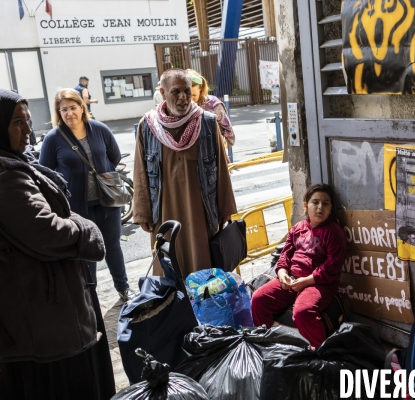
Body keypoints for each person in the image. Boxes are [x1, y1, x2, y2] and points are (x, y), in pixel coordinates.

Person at [0, 89, 115, 399]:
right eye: (16, 123)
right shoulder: (6, 177)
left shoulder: (15, 163)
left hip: (44, 315)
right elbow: (49, 232)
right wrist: (86, 227)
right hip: (42, 319)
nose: (27, 131)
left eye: (27, 121)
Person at [133, 69, 237, 278]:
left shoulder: (206, 122)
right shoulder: (148, 126)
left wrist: (225, 207)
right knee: (168, 268)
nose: (183, 98)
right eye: (175, 92)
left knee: (204, 267)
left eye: (187, 92)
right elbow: (140, 172)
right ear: (162, 93)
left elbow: (221, 168)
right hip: (163, 211)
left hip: (201, 210)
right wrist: (142, 211)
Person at [39, 89, 133, 302]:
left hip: (107, 201)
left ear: (82, 107)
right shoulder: (53, 138)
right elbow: (45, 171)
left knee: (113, 246)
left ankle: (123, 288)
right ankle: (90, 296)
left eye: (73, 107)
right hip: (77, 208)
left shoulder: (99, 129)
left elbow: (115, 156)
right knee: (86, 252)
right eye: (64, 109)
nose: (69, 113)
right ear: (58, 112)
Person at [251, 184, 346, 347]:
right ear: (305, 205)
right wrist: (281, 273)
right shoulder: (297, 229)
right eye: (315, 202)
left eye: (326, 203)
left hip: (319, 284)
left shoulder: (334, 232)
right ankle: (268, 345)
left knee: (303, 313)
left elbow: (332, 267)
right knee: (258, 300)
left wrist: (307, 281)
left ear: (331, 208)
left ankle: (319, 353)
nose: (320, 207)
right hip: (292, 279)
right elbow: (285, 256)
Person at [186, 69, 235, 155]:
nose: (190, 100)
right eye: (187, 95)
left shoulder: (214, 105)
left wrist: (217, 145)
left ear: (200, 88)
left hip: (213, 158)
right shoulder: (178, 108)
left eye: (194, 95)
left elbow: (230, 137)